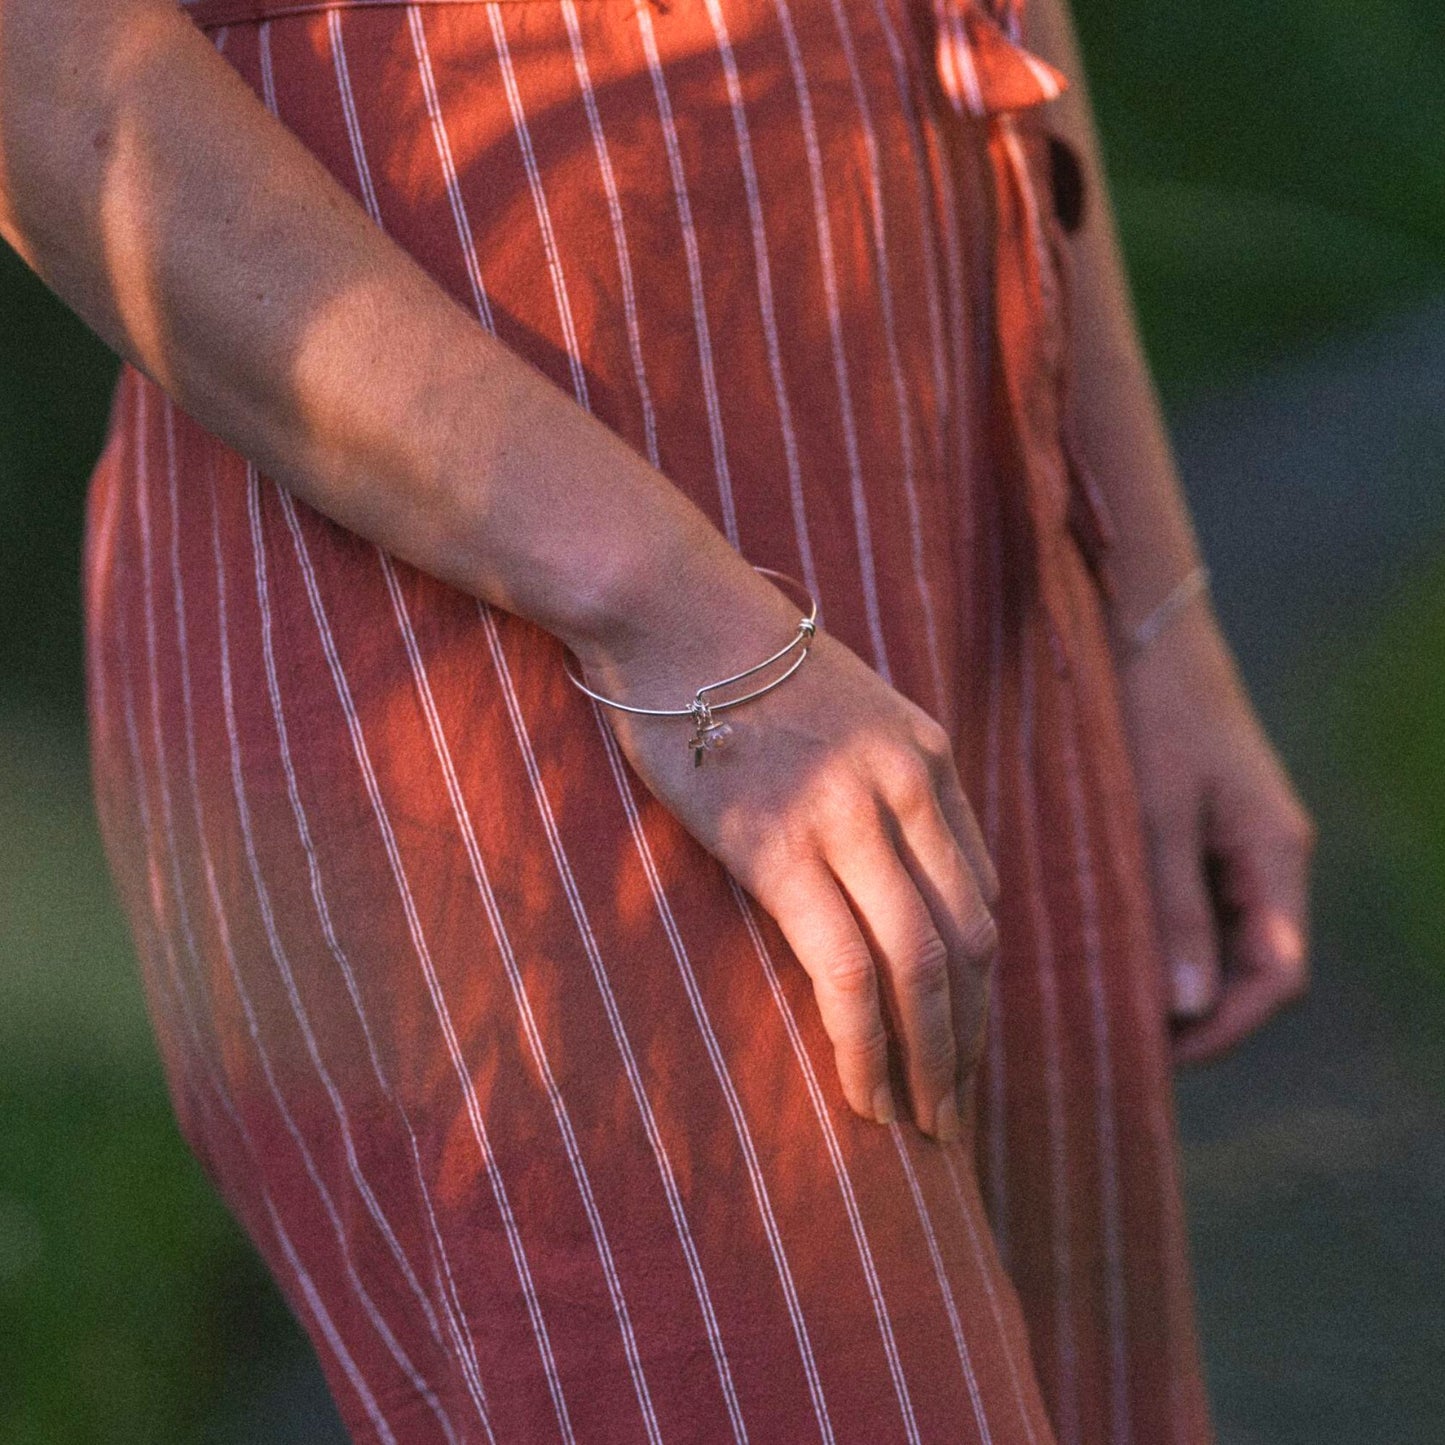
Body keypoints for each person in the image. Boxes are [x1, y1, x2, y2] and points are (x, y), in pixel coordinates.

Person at [0, 0, 1315, 1439]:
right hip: (488, 585)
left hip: (958, 502)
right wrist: (668, 615)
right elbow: (46, 70)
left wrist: (1153, 607)